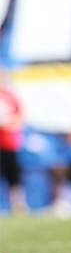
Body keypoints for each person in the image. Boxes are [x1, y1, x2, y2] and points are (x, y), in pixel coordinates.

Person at [0, 66, 28, 215]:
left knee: (14, 176)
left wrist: (7, 123)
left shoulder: (10, 96)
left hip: (9, 142)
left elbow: (21, 116)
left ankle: (18, 207)